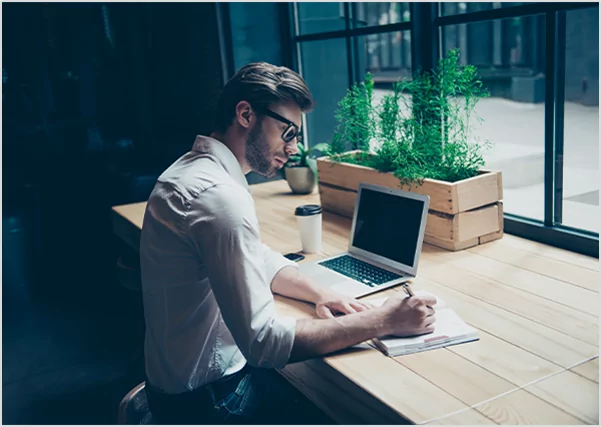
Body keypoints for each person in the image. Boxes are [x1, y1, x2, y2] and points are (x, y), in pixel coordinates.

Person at [140, 62, 437, 425]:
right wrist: (384, 319)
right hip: (212, 404)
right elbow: (263, 343)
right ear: (246, 113)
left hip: (175, 393)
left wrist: (319, 293)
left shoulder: (192, 172)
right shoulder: (219, 198)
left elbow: (253, 256)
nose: (294, 148)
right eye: (288, 132)